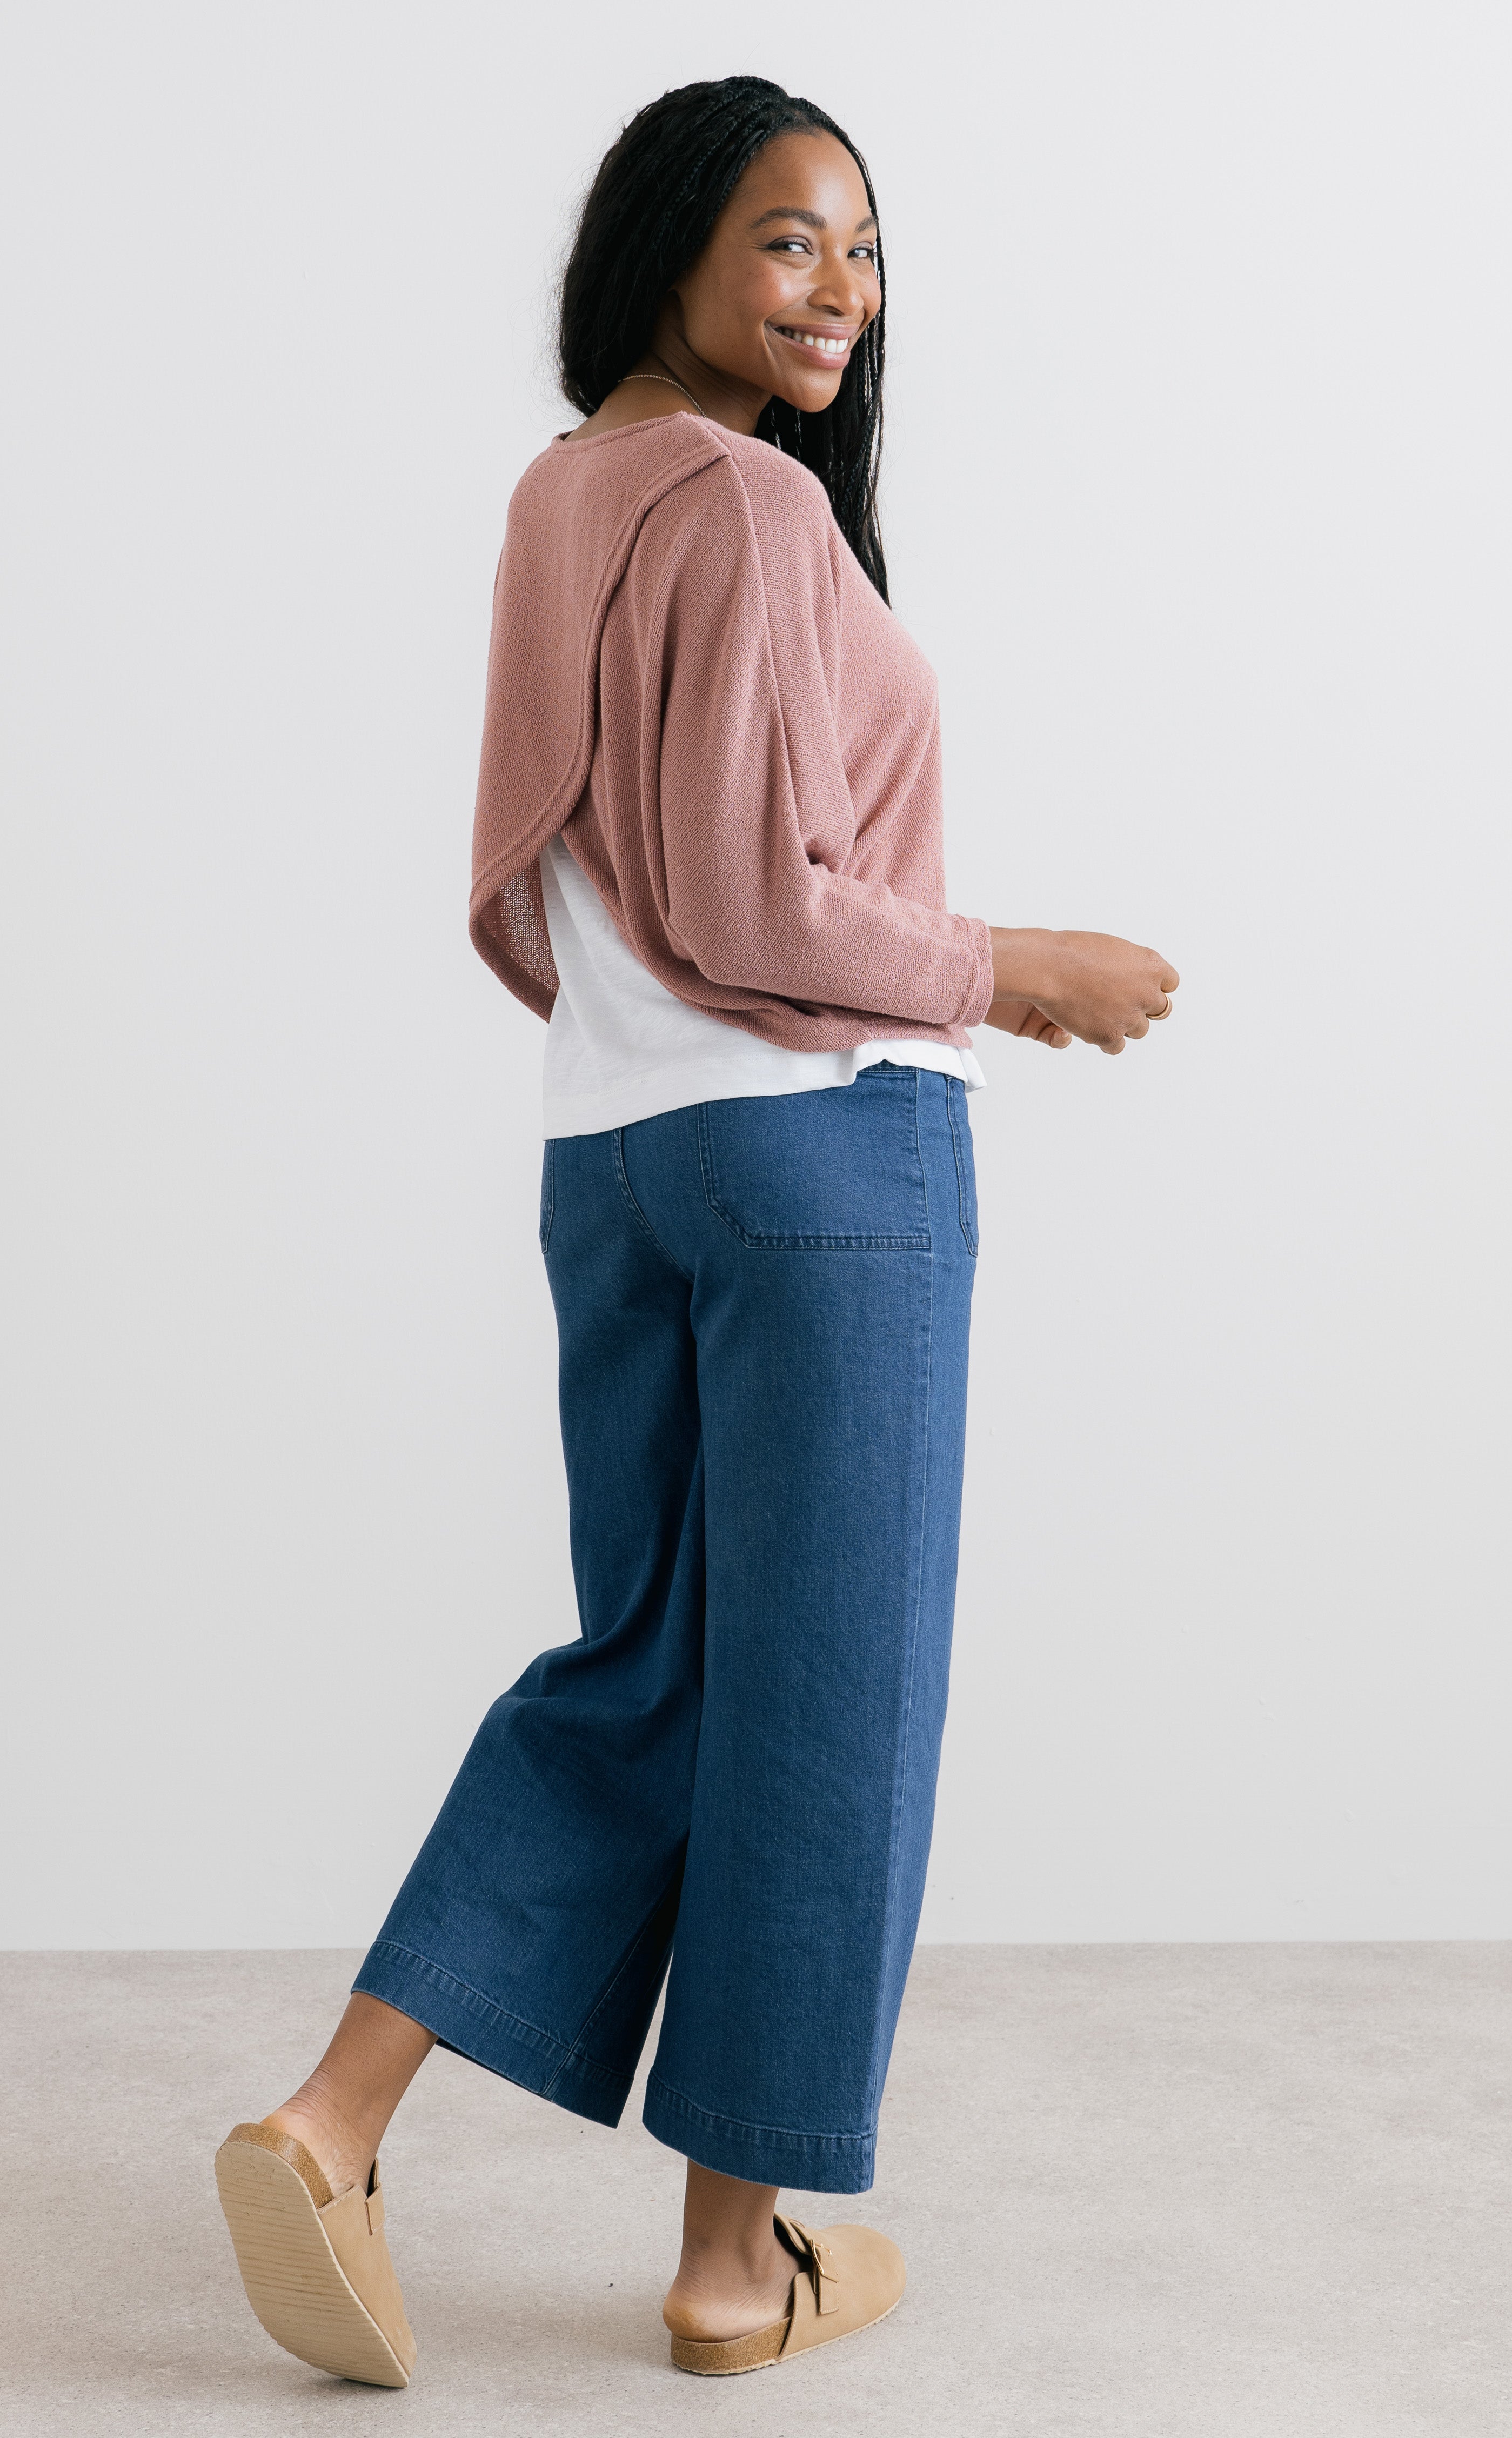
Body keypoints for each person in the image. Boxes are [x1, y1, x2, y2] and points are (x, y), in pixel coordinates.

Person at [213, 74, 1178, 2388]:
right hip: (823, 1156)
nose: (841, 288)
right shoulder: (745, 501)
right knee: (826, 1698)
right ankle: (738, 2268)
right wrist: (1013, 969)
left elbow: (531, 884)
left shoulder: (565, 493)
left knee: (652, 1666)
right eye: (786, 239)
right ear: (668, 250)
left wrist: (666, 1035)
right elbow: (760, 901)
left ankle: (330, 2124)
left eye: (864, 247)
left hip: (616, 1156)